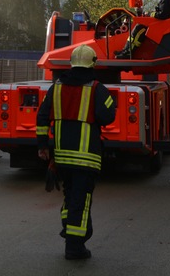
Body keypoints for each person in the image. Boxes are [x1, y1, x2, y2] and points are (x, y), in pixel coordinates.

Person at [36, 44, 116, 260]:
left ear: (71, 63)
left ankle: (69, 231)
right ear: (92, 64)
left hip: (61, 157)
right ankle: (74, 246)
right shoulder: (97, 88)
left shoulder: (56, 87)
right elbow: (109, 117)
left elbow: (42, 116)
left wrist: (43, 145)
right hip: (86, 158)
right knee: (81, 200)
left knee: (70, 197)